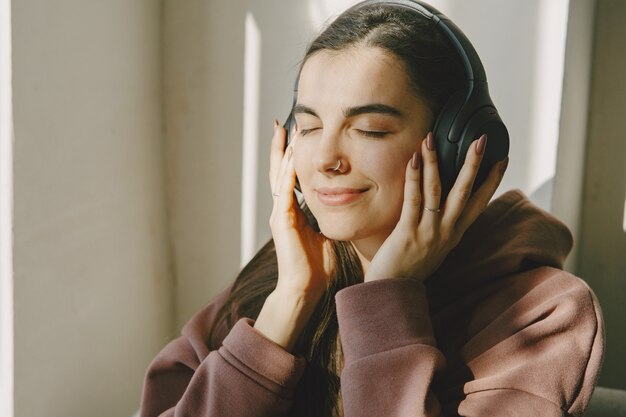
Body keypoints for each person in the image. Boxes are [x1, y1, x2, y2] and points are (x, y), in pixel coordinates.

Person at [139, 2, 605, 416]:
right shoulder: (281, 275)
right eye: (310, 126)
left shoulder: (543, 316)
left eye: (370, 130)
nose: (325, 159)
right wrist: (285, 309)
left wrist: (385, 301)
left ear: (454, 146)